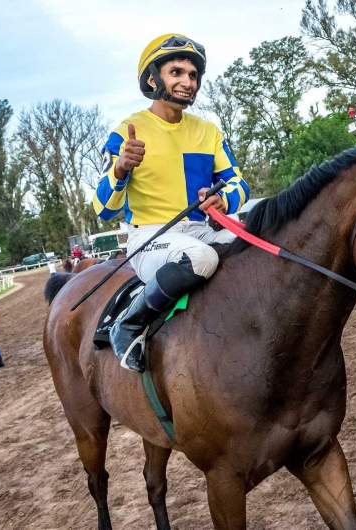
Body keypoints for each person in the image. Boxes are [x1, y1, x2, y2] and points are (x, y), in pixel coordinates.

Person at [92, 33, 250, 373]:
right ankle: (129, 324)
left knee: (257, 249)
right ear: (153, 79)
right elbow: (103, 209)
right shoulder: (127, 132)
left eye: (193, 75)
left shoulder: (208, 132)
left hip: (198, 229)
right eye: (176, 72)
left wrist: (223, 199)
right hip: (149, 237)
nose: (187, 82)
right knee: (201, 257)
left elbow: (239, 183)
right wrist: (120, 168)